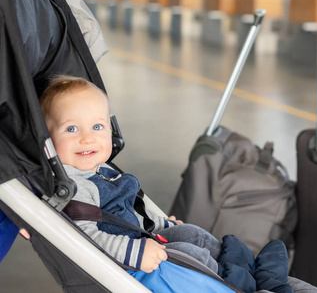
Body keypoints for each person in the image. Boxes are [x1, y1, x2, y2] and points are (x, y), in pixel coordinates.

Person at [39, 74, 221, 274]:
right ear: (47, 139)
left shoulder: (102, 170)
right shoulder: (73, 187)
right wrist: (136, 253)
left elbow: (131, 212)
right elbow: (84, 238)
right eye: (71, 129)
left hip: (141, 237)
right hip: (130, 260)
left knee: (195, 235)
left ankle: (237, 267)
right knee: (194, 255)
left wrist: (164, 223)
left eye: (97, 127)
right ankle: (231, 280)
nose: (87, 138)